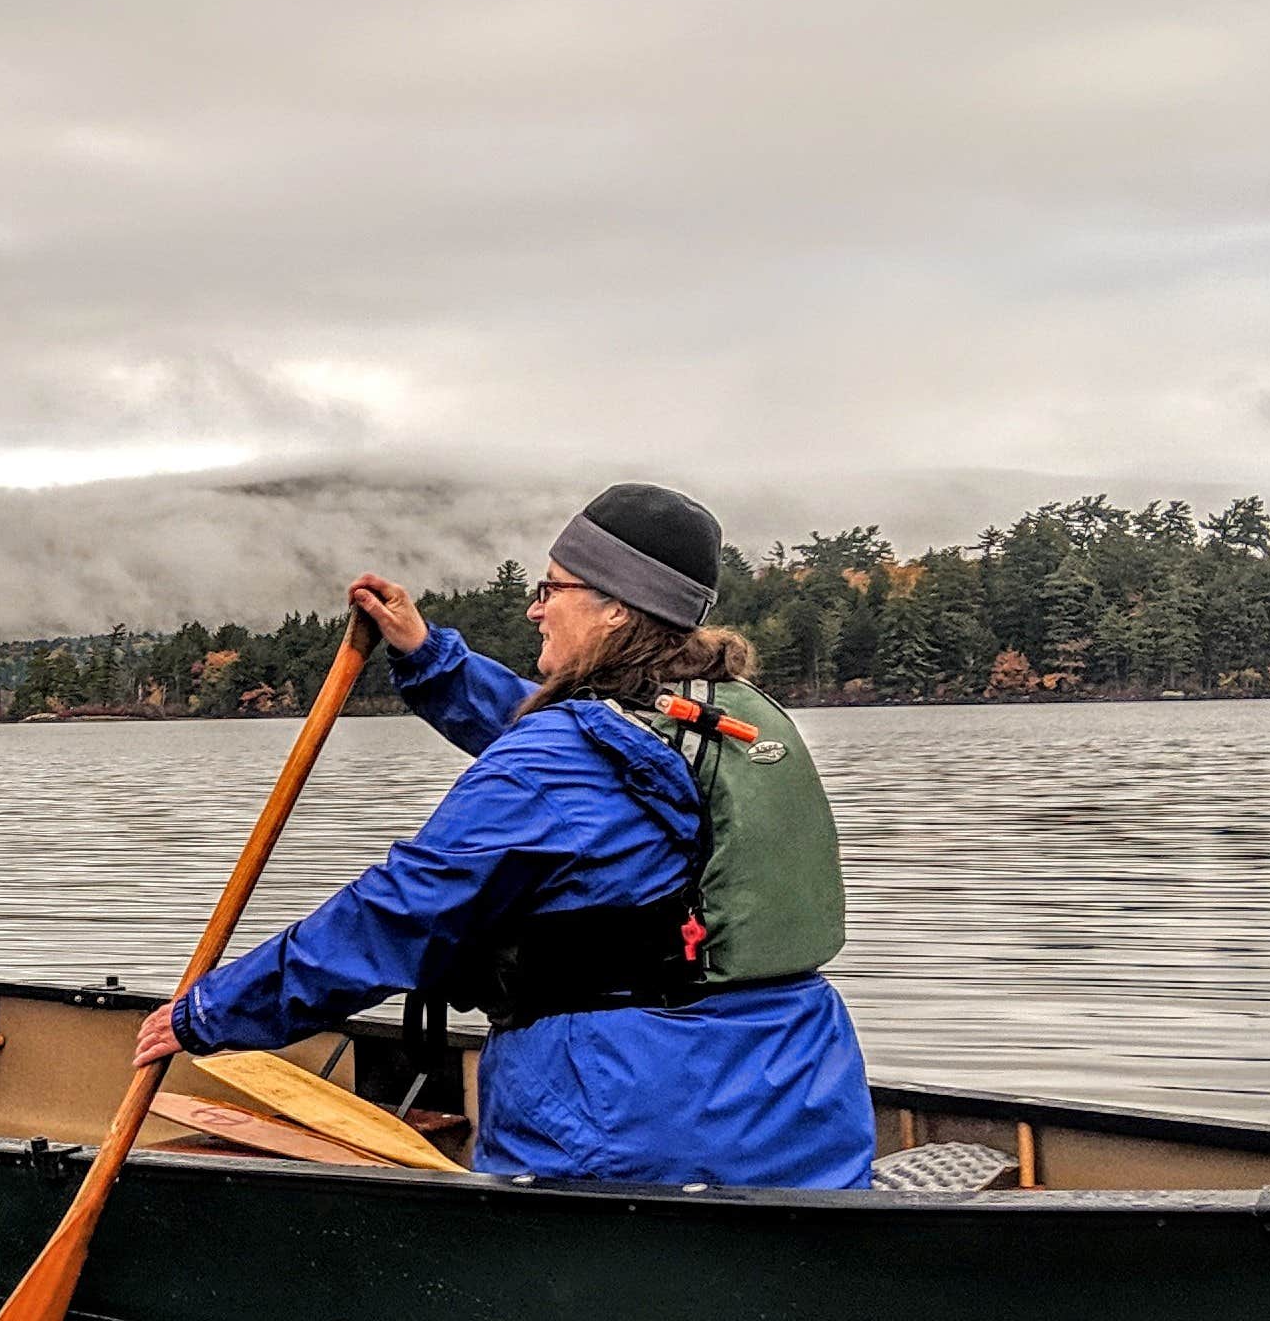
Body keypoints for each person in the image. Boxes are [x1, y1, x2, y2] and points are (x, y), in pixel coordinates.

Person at [134, 484, 876, 1189]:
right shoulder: (719, 718)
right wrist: (428, 657)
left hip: (626, 1120)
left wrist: (213, 1012)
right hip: (800, 1099)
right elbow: (567, 742)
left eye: (553, 588)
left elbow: (398, 915)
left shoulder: (558, 764)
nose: (534, 607)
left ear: (616, 609)